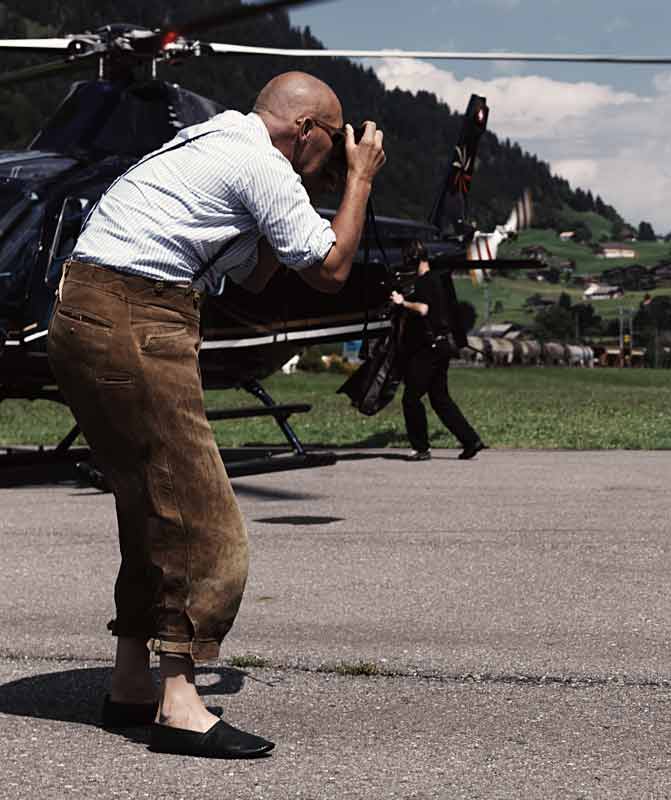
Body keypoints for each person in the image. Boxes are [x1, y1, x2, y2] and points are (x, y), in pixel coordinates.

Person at [47, 71, 386, 758]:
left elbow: (258, 273)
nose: (334, 154)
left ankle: (132, 683)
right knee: (202, 517)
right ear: (308, 133)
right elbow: (329, 268)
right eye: (331, 142)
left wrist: (305, 193)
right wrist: (359, 181)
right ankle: (179, 703)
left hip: (82, 312)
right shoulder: (259, 162)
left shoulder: (209, 140)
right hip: (138, 317)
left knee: (149, 503)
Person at [390, 243, 486, 461]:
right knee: (440, 398)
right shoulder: (437, 280)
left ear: (414, 260)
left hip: (429, 349)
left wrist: (402, 302)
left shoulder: (423, 283)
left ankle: (421, 448)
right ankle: (471, 440)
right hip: (442, 346)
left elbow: (423, 309)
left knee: (411, 398)